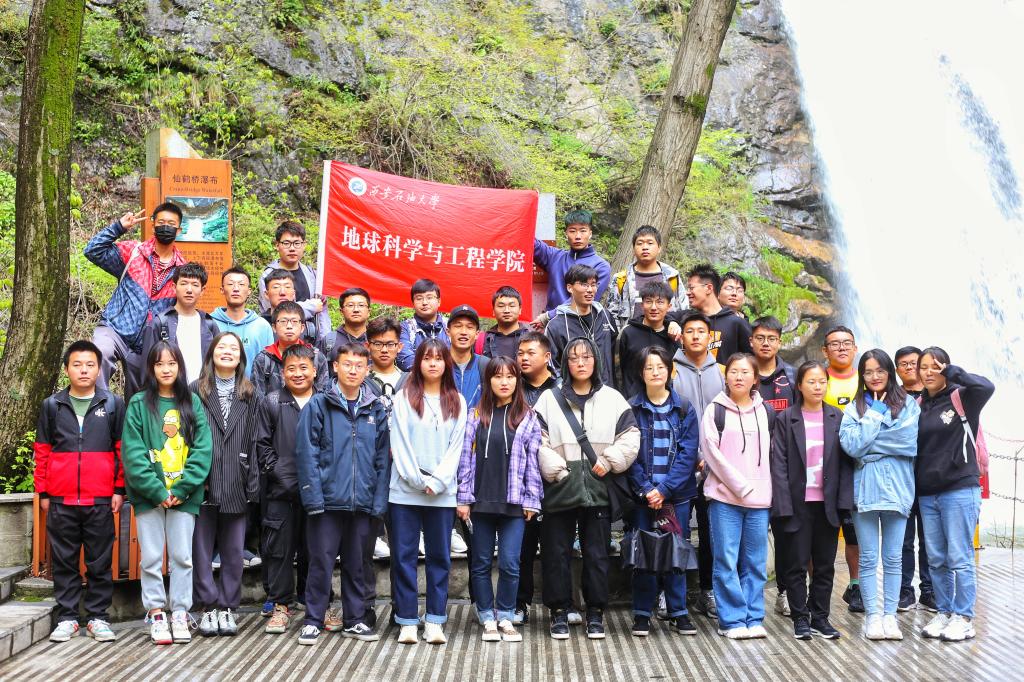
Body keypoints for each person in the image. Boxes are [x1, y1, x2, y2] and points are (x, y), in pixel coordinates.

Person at [533, 337, 639, 640]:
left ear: (596, 361)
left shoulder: (613, 398)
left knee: (597, 553)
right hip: (560, 487)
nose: (581, 363)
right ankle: (559, 610)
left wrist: (610, 460)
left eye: (587, 357)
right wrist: (557, 470)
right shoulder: (548, 399)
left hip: (598, 486)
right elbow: (536, 439)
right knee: (556, 552)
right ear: (565, 362)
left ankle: (595, 612)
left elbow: (631, 436)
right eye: (574, 358)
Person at [294, 343, 391, 646]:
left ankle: (355, 619)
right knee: (320, 563)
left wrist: (378, 502)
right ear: (335, 367)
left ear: (367, 370)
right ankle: (313, 620)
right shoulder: (318, 405)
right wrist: (313, 498)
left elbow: (382, 460)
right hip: (326, 502)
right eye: (347, 364)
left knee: (357, 564)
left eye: (359, 365)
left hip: (362, 502)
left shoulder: (375, 408)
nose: (353, 370)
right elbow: (306, 455)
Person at [121, 341, 212, 645]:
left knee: (182, 557)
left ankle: (180, 612)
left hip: (184, 496)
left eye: (171, 363)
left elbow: (202, 449)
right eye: (159, 364)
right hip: (149, 496)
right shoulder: (138, 403)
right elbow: (133, 453)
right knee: (150, 557)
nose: (166, 369)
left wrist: (184, 487)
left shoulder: (191, 402)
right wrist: (156, 490)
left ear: (180, 366)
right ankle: (157, 613)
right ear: (151, 368)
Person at [35, 340, 126, 644]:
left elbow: (121, 450)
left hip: (100, 497)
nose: (84, 370)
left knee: (100, 561)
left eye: (90, 365)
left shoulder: (112, 404)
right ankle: (68, 618)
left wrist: (119, 489)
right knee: (64, 561)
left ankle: (98, 617)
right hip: (61, 499)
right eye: (77, 364)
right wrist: (43, 493)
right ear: (67, 369)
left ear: (99, 369)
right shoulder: (52, 405)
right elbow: (42, 451)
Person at [457, 357, 543, 642]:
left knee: (510, 562)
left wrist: (532, 500)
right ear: (489, 380)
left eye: (510, 376)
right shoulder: (475, 414)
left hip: (514, 502)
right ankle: (486, 616)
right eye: (498, 376)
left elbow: (533, 462)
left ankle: (506, 615)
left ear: (517, 381)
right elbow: (465, 460)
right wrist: (463, 498)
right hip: (480, 502)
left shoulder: (527, 416)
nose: (504, 382)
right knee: (480, 562)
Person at [389, 340, 468, 645]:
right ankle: (407, 620)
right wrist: (416, 479)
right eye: (427, 358)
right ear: (418, 363)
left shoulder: (457, 401)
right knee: (404, 556)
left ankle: (435, 619)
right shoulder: (403, 398)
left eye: (438, 358)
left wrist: (438, 481)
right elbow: (399, 444)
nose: (433, 363)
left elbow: (457, 448)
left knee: (439, 557)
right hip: (404, 492)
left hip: (442, 493)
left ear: (447, 363)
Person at [839, 349, 919, 641]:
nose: (874, 377)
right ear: (862, 375)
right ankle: (873, 616)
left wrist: (868, 442)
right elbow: (852, 446)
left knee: (894, 557)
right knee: (869, 557)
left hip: (898, 489)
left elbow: (908, 442)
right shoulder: (855, 407)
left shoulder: (908, 404)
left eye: (880, 371)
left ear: (889, 372)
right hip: (865, 491)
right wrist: (874, 415)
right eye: (868, 372)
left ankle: (890, 616)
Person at [916, 347, 994, 643]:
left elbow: (986, 386)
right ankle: (944, 611)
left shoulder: (963, 397)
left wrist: (953, 372)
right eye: (923, 367)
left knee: (959, 556)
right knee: (936, 558)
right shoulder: (919, 404)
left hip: (959, 488)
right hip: (928, 492)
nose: (929, 372)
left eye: (935, 366)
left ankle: (964, 617)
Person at [770, 361, 851, 640]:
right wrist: (783, 506)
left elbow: (845, 464)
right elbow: (779, 464)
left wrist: (844, 503)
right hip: (797, 504)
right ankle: (800, 618)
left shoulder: (836, 417)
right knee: (797, 564)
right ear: (799, 386)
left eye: (822, 382)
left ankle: (820, 617)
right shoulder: (787, 418)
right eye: (811, 382)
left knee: (825, 565)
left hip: (827, 505)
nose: (817, 387)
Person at [190, 332, 262, 637]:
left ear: (241, 357)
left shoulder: (250, 392)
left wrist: (253, 482)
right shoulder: (195, 390)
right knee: (200, 549)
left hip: (237, 478)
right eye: (222, 347)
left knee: (234, 551)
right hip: (203, 480)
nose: (228, 351)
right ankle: (207, 606)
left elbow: (256, 439)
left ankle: (228, 607)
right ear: (211, 353)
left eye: (234, 347)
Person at [627, 346, 700, 637]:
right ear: (640, 373)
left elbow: (687, 453)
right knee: (643, 554)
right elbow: (629, 454)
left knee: (676, 553)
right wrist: (647, 489)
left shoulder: (684, 408)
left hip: (676, 497)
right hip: (643, 497)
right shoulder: (631, 409)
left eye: (660, 367)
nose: (655, 372)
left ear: (670, 371)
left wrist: (665, 490)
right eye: (649, 367)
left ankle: (678, 611)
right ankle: (642, 613)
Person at [701, 353, 773, 640]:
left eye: (745, 372)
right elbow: (711, 454)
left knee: (756, 563)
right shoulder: (715, 411)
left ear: (755, 378)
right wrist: (739, 486)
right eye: (733, 371)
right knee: (726, 561)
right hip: (724, 499)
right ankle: (730, 620)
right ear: (726, 376)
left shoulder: (766, 411)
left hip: (760, 501)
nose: (739, 377)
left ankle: (753, 618)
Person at [85, 203, 187, 396]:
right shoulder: (133, 252)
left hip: (147, 344)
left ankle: (127, 416)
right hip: (115, 329)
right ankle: (99, 409)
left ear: (179, 230)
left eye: (171, 224)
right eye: (161, 222)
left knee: (140, 398)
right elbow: (92, 251)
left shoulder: (181, 270)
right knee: (100, 354)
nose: (166, 227)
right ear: (153, 225)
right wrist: (119, 227)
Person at [256, 344, 318, 635]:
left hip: (317, 492)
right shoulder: (272, 402)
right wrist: (281, 475)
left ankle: (316, 603)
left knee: (315, 550)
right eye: (291, 369)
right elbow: (262, 445)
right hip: (280, 492)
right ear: (283, 373)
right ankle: (281, 605)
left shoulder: (323, 401)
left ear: (314, 371)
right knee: (279, 551)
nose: (298, 373)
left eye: (304, 367)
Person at [670, 311, 725, 619]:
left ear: (709, 337)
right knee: (675, 531)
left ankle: (708, 591)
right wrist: (691, 457)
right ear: (682, 336)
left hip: (714, 469)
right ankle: (670, 594)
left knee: (710, 533)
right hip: (678, 466)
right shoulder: (670, 370)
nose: (695, 336)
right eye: (689, 331)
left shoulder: (724, 371)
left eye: (700, 331)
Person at [748, 315, 797, 616]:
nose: (766, 344)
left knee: (785, 533)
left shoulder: (791, 376)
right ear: (751, 340)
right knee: (750, 534)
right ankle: (747, 595)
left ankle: (785, 591)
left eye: (772, 339)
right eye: (760, 338)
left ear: (779, 342)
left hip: (784, 468)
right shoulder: (742, 372)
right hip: (748, 466)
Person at [512, 331, 559, 624]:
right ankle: (520, 603)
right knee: (522, 548)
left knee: (556, 548)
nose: (524, 358)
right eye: (520, 353)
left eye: (531, 353)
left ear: (547, 357)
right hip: (520, 479)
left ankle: (559, 606)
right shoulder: (512, 386)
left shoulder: (561, 388)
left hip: (555, 478)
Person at [822, 325, 863, 612]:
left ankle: (856, 585)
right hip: (823, 466)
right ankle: (816, 587)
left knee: (854, 532)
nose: (841, 348)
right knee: (820, 532)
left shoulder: (866, 380)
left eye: (846, 343)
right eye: (835, 344)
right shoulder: (818, 378)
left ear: (855, 348)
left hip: (857, 468)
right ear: (825, 350)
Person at [893, 345, 933, 612]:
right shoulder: (892, 398)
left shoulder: (935, 395)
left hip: (930, 476)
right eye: (903, 364)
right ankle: (904, 590)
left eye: (914, 363)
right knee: (903, 539)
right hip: (901, 477)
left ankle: (929, 590)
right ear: (896, 369)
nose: (909, 368)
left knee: (930, 538)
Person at [140, 262, 221, 385]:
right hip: (170, 393)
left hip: (203, 392)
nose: (189, 290)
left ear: (202, 290)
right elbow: (147, 367)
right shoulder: (160, 323)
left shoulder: (209, 324)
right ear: (174, 287)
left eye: (195, 285)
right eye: (183, 283)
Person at [545, 265, 618, 388]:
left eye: (593, 284)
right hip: (573, 393)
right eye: (584, 284)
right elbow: (552, 367)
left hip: (606, 391)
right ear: (570, 287)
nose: (590, 290)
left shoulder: (605, 316)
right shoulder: (556, 326)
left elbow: (615, 353)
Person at [259, 220, 330, 341]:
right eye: (286, 243)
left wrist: (325, 340)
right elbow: (274, 311)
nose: (292, 248)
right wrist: (310, 307)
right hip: (279, 339)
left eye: (297, 243)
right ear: (277, 245)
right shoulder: (268, 276)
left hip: (310, 339)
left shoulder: (312, 274)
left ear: (304, 245)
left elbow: (322, 312)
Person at [604, 225, 685, 330]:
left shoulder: (672, 277)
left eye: (650, 243)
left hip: (665, 337)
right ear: (633, 249)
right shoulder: (621, 279)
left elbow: (683, 310)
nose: (645, 247)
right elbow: (611, 316)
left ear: (659, 248)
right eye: (640, 243)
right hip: (631, 338)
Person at [533, 209, 611, 315]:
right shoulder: (554, 257)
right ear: (566, 233)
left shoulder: (601, 266)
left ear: (590, 233)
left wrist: (549, 316)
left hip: (579, 322)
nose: (578, 236)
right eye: (572, 231)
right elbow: (530, 242)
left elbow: (584, 301)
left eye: (583, 231)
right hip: (551, 323)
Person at [670, 264, 752, 361]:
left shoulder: (737, 323)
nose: (688, 293)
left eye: (691, 288)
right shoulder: (687, 317)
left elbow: (752, 359)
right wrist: (672, 323)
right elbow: (662, 316)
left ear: (709, 288)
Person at [616, 281, 679, 400]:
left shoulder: (674, 335)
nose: (654, 307)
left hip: (666, 402)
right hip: (633, 402)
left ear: (669, 306)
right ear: (642, 305)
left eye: (660, 302)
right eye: (649, 301)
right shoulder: (628, 333)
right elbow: (617, 370)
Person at [251, 301, 331, 395]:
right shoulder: (264, 359)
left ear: (302, 328)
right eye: (283, 321)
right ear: (274, 327)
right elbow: (257, 398)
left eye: (294, 321)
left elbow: (323, 396)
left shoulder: (316, 357)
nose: (289, 326)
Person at [211, 266, 274, 378]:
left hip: (253, 388)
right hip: (216, 387)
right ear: (222, 290)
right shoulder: (210, 323)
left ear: (249, 291)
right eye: (230, 284)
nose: (236, 288)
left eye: (241, 284)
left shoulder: (262, 326)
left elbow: (269, 364)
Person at [397, 279, 450, 371]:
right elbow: (405, 359)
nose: (424, 302)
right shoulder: (405, 328)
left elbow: (459, 356)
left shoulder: (450, 326)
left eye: (429, 297)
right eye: (419, 298)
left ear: (439, 301)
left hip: (449, 379)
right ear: (413, 303)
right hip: (416, 379)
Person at [318, 287, 371, 372]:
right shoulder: (329, 341)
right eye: (350, 305)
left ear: (369, 312)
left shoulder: (376, 339)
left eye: (361, 305)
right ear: (341, 311)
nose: (356, 310)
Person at [448, 305, 490, 410]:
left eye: (470, 327)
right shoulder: (438, 365)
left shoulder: (485, 366)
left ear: (477, 334)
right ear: (448, 331)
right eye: (458, 326)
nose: (463, 332)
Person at [261, 269, 318, 345]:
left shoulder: (308, 329)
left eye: (287, 287)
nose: (282, 292)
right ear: (266, 294)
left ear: (294, 293)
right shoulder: (259, 325)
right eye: (276, 287)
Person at [475, 286, 531, 359]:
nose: (506, 310)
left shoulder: (531, 339)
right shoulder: (481, 340)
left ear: (520, 309)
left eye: (512, 306)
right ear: (493, 311)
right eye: (501, 306)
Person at [365, 316, 409, 398]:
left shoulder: (410, 381)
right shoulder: (359, 380)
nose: (384, 350)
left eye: (390, 344)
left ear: (399, 347)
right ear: (367, 346)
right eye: (378, 344)